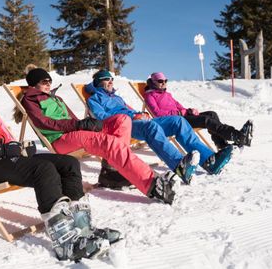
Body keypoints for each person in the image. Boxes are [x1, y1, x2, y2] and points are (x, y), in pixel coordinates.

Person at [0, 75, 120, 262]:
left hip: (6, 160)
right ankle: (65, 242)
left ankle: (82, 228)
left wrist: (17, 147)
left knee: (69, 163)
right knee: (43, 168)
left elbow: (7, 139)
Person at [20, 68, 177, 205]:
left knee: (122, 120)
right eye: (43, 81)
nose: (48, 83)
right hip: (60, 139)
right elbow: (44, 123)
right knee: (110, 143)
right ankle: (152, 184)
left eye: (49, 80)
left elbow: (72, 119)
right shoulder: (30, 100)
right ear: (33, 84)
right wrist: (78, 126)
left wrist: (86, 124)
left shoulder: (56, 98)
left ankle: (112, 171)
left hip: (74, 132)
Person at [85, 70, 234, 185]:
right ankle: (179, 166)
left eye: (112, 79)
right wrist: (132, 117)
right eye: (107, 79)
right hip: (122, 125)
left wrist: (140, 114)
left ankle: (210, 161)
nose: (111, 82)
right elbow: (102, 119)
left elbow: (130, 109)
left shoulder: (116, 97)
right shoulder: (94, 99)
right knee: (151, 128)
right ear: (99, 82)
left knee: (178, 121)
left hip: (137, 120)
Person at [144, 72, 253, 150]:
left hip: (183, 117)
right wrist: (178, 113)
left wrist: (189, 111)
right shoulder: (150, 96)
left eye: (165, 81)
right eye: (160, 81)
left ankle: (221, 144)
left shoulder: (167, 95)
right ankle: (237, 136)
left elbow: (180, 107)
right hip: (174, 122)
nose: (163, 83)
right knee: (206, 120)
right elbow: (156, 114)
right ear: (153, 82)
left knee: (212, 114)